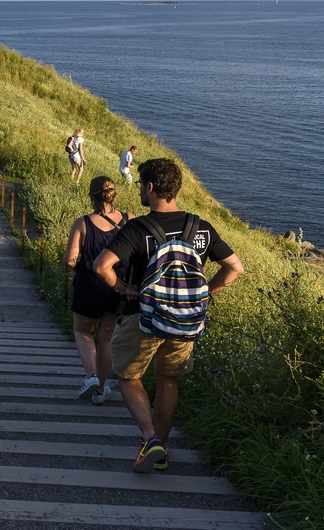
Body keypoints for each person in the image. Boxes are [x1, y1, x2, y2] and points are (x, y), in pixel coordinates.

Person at [92, 158, 245, 473]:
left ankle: (150, 440)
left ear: (149, 187)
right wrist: (204, 293)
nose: (139, 191)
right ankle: (161, 447)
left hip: (142, 318)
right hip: (184, 319)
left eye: (140, 186)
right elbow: (234, 268)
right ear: (177, 188)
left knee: (129, 376)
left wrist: (124, 287)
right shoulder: (200, 227)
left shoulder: (137, 229)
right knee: (168, 381)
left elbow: (101, 266)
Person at [64, 176, 130, 404]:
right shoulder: (129, 220)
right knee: (106, 338)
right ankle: (101, 390)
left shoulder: (82, 223)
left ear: (92, 197)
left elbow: (70, 260)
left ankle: (91, 377)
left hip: (88, 286)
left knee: (83, 332)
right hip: (116, 288)